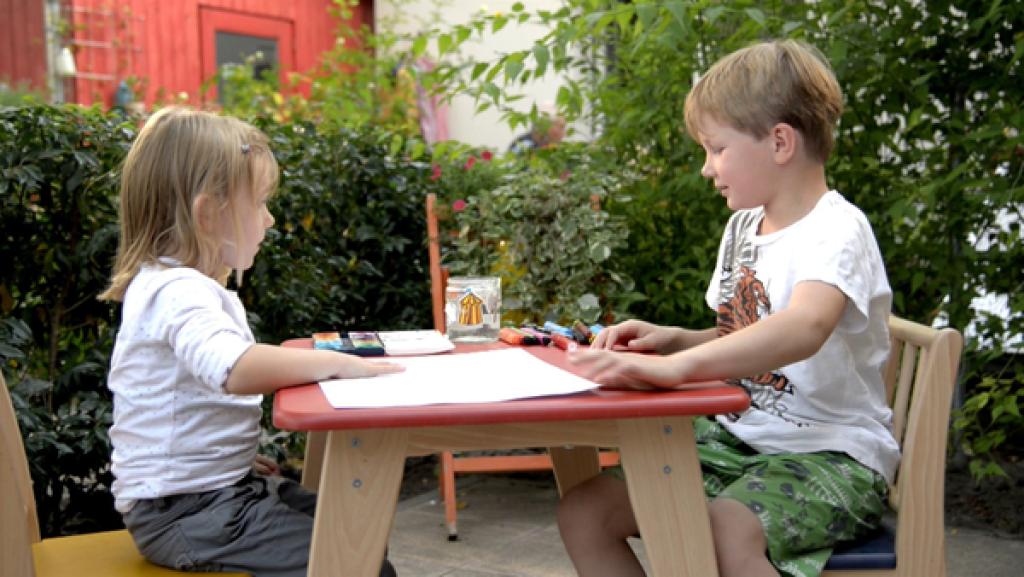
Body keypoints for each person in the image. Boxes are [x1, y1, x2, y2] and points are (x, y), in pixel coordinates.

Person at [559, 39, 898, 577]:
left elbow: (804, 327)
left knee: (722, 529)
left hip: (833, 457)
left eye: (716, 148)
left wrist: (675, 370)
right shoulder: (743, 226)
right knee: (584, 513)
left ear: (780, 142)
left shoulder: (837, 228)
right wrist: (675, 339)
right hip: (736, 438)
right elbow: (743, 336)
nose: (705, 167)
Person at [98, 107, 404, 577]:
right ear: (207, 213)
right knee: (351, 559)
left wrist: (231, 460)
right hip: (189, 513)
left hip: (205, 497)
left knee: (356, 534)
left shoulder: (181, 287)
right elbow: (233, 368)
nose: (271, 219)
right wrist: (337, 363)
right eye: (260, 203)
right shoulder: (177, 290)